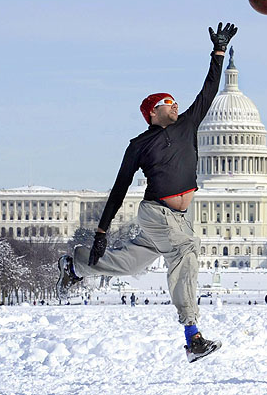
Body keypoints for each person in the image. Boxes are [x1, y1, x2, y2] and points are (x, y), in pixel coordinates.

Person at [56, 22, 237, 363]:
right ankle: (192, 336)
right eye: (170, 103)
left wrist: (218, 52)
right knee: (186, 250)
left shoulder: (187, 125)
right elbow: (120, 188)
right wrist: (101, 231)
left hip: (178, 217)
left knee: (128, 265)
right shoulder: (139, 145)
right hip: (157, 213)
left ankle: (76, 266)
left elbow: (209, 91)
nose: (177, 106)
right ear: (153, 111)